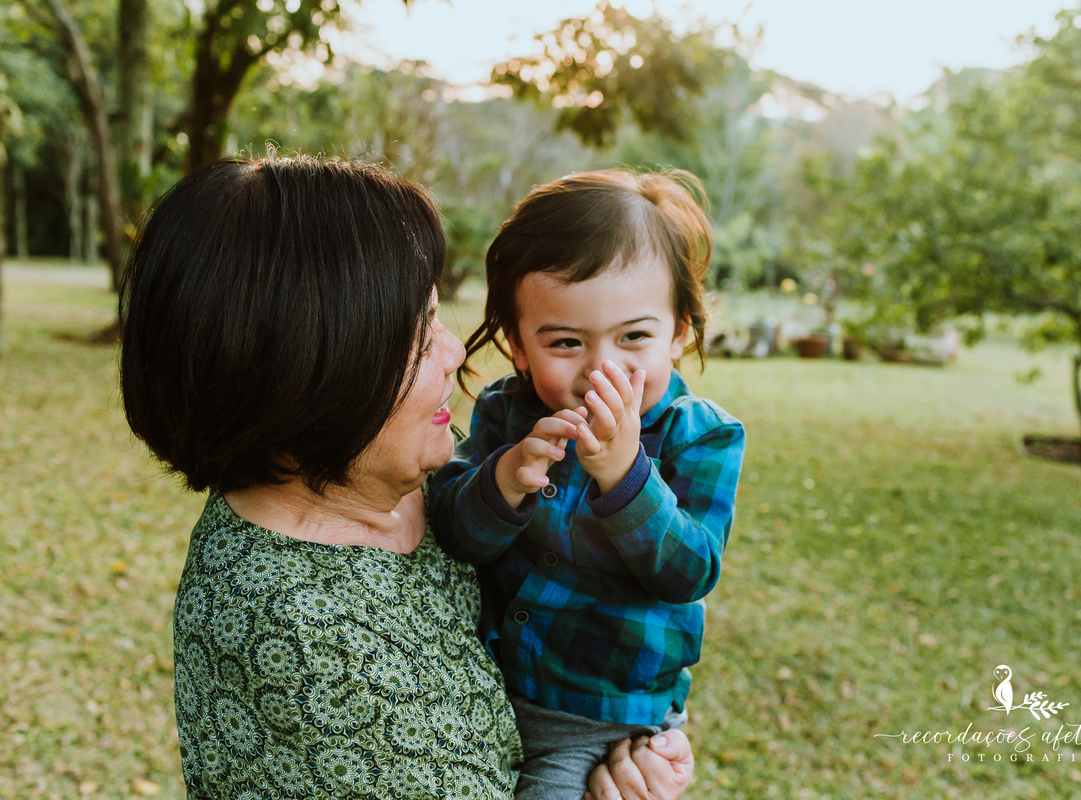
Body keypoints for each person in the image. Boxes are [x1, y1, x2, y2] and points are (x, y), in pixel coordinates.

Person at [118, 155, 693, 800]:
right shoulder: (311, 639)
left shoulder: (385, 480)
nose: (455, 352)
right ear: (313, 372)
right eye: (417, 334)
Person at [429, 169, 746, 799]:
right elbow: (453, 531)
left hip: (600, 717)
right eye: (567, 342)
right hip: (499, 684)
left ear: (680, 330)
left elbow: (689, 572)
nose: (603, 370)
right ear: (519, 345)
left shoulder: (700, 437)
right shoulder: (506, 414)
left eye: (634, 337)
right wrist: (504, 480)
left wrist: (627, 478)